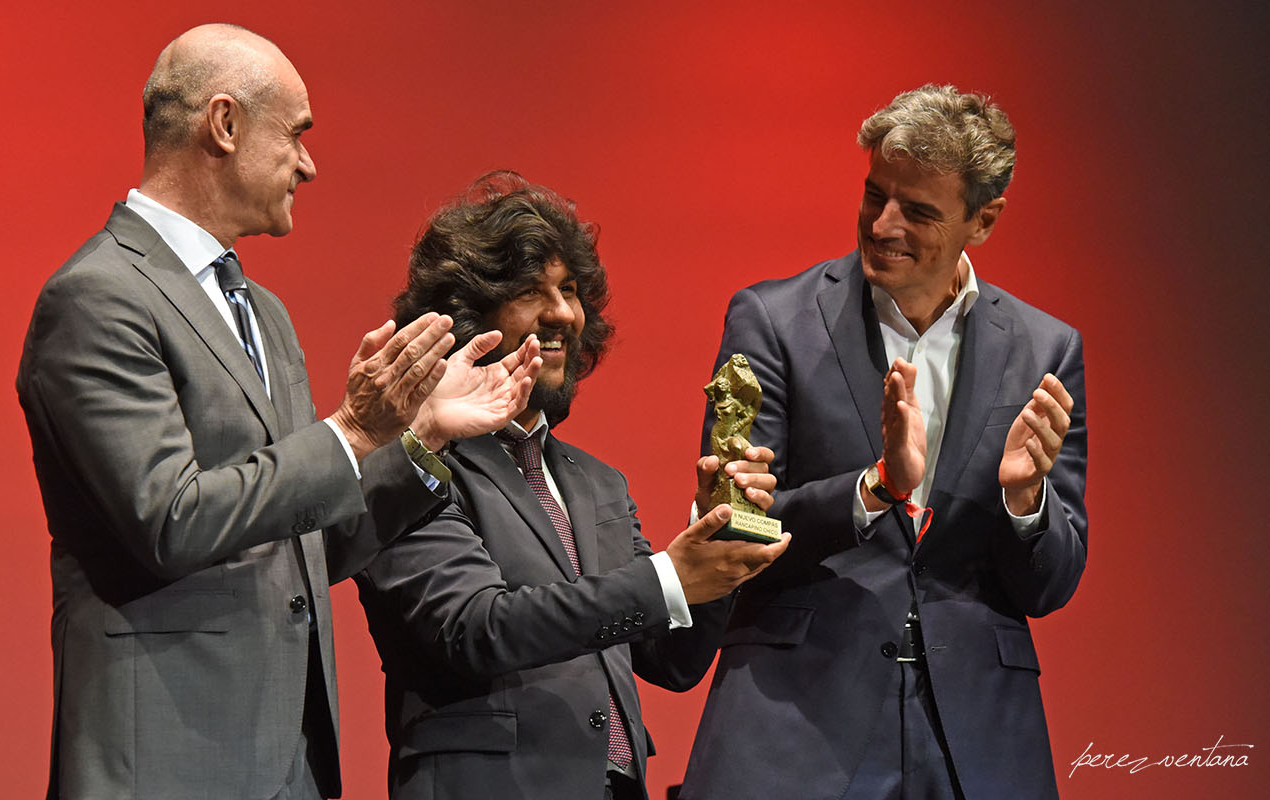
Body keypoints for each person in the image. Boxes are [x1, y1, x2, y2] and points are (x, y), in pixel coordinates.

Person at [16, 25, 538, 800]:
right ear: (223, 126)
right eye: (296, 134)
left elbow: (304, 548)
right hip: (164, 759)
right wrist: (354, 432)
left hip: (287, 763)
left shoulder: (265, 312)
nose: (309, 162)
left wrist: (421, 441)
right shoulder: (99, 297)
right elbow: (171, 520)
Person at [680, 85, 1088, 800]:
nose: (883, 224)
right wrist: (873, 491)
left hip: (977, 738)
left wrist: (1027, 501)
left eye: (919, 211)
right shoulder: (772, 322)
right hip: (796, 718)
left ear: (983, 220)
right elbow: (734, 526)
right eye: (876, 196)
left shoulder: (1045, 351)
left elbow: (1049, 584)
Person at [354, 171, 791, 800]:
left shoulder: (599, 483)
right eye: (532, 291)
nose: (563, 312)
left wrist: (715, 547)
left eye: (570, 289)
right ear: (468, 313)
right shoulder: (414, 464)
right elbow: (476, 628)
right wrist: (669, 574)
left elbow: (672, 662)